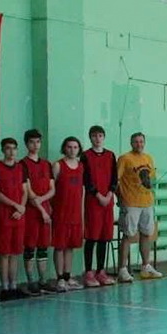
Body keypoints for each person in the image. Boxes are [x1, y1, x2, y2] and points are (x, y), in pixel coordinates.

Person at [115, 131, 161, 281]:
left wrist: (149, 184)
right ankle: (122, 270)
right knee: (128, 235)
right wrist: (120, 198)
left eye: (141, 141)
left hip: (147, 202)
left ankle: (146, 267)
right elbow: (116, 180)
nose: (139, 144)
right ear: (131, 143)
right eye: (136, 142)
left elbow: (151, 179)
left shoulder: (148, 158)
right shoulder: (125, 158)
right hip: (131, 203)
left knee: (146, 234)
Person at [21, 129, 59, 295]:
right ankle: (31, 281)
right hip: (32, 212)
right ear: (26, 144)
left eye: (38, 142)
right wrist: (41, 209)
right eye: (32, 142)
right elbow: (29, 193)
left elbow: (52, 189)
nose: (35, 145)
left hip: (45, 210)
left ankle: (43, 280)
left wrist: (43, 204)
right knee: (30, 247)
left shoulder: (46, 164)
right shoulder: (23, 164)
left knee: (43, 247)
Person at [0, 137, 29, 300]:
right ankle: (5, 287)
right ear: (3, 150)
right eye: (8, 148)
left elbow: (25, 191)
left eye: (14, 148)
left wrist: (21, 208)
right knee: (4, 253)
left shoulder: (21, 167)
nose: (11, 151)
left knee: (15, 252)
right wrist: (15, 205)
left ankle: (13, 285)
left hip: (18, 217)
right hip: (3, 215)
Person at [81, 125, 117, 288]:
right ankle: (89, 272)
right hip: (93, 201)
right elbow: (86, 179)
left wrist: (109, 194)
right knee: (92, 237)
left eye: (100, 135)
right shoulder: (85, 156)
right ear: (90, 138)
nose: (97, 138)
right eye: (94, 136)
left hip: (107, 201)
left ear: (104, 137)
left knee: (104, 237)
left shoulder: (110, 155)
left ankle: (101, 271)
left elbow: (114, 178)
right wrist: (98, 195)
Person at [52, 136, 86, 291]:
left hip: (75, 212)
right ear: (64, 148)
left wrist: (82, 212)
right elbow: (51, 189)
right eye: (69, 147)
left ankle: (67, 276)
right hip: (61, 212)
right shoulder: (58, 165)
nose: (72, 150)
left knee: (71, 246)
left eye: (75, 147)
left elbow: (81, 191)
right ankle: (59, 278)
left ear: (79, 149)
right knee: (60, 246)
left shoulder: (81, 166)